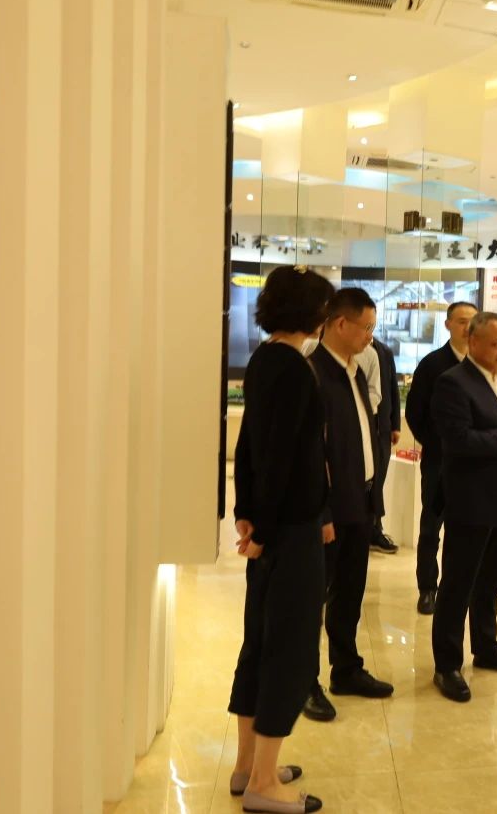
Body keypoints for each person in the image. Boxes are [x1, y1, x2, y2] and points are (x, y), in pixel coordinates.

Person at [228, 265, 333, 814]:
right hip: (290, 532)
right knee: (288, 650)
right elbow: (281, 457)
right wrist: (265, 529)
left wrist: (247, 514)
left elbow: (250, 447)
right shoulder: (293, 367)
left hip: (275, 527)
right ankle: (265, 783)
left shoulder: (264, 359)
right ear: (312, 313)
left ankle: (248, 765)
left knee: (259, 643)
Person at [429, 312, 497, 702]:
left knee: (492, 580)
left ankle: (487, 647)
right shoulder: (453, 383)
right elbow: (457, 440)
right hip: (470, 501)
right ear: (473, 342)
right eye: (495, 344)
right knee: (458, 584)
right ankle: (447, 664)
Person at [302, 288, 396, 723]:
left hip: (360, 501)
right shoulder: (313, 374)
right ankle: (306, 682)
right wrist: (321, 513)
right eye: (366, 327)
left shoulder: (355, 371)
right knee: (314, 598)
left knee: (351, 591)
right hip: (330, 507)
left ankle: (346, 668)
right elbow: (309, 454)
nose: (370, 337)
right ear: (340, 324)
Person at [405, 301, 478, 615]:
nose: (467, 327)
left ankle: (457, 588)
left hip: (473, 464)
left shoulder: (481, 364)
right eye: (461, 321)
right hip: (439, 462)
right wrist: (435, 444)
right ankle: (427, 587)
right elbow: (415, 412)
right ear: (448, 325)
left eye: (473, 321)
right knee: (431, 527)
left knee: (466, 530)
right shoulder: (432, 364)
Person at [361, 336, 400, 555]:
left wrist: (395, 425)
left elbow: (392, 388)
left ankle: (375, 529)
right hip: (360, 428)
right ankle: (366, 530)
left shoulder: (383, 351)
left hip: (381, 429)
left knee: (378, 483)